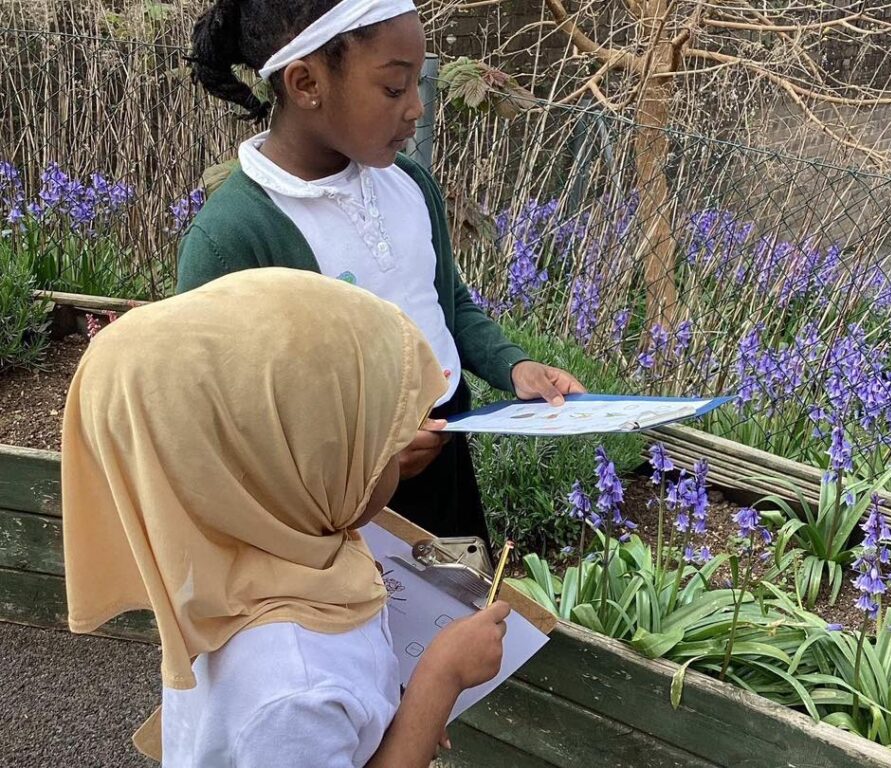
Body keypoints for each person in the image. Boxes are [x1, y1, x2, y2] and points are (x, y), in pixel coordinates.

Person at [61, 268, 511, 767]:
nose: (402, 452)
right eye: (381, 441)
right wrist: (438, 682)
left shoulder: (266, 559)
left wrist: (403, 720)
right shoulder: (291, 692)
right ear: (294, 471)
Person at [177, 0, 585, 544]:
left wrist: (514, 368)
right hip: (334, 509)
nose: (416, 107)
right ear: (305, 83)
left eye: (416, 84)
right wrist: (366, 459)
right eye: (394, 89)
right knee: (372, 627)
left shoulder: (409, 185)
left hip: (443, 452)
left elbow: (447, 305)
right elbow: (219, 427)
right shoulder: (233, 238)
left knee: (460, 613)